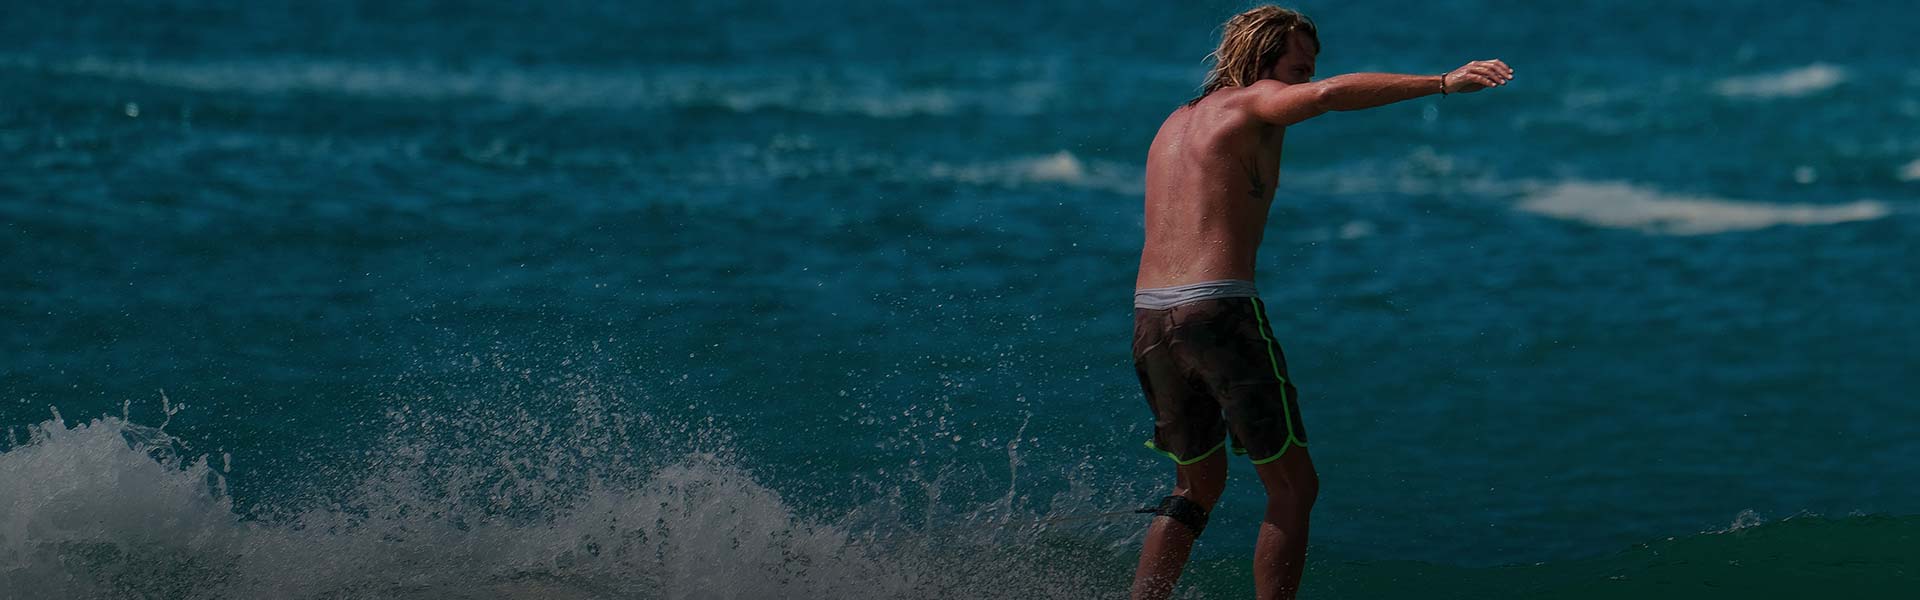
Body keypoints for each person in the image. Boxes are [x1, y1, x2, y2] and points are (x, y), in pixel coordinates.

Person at [1128, 6, 1512, 600]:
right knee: (1293, 488)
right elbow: (1331, 96)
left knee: (1194, 487)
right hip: (1215, 309)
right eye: (1298, 67)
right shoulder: (1253, 101)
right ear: (1262, 62)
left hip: (1151, 319)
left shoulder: (1175, 123)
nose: (1307, 78)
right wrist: (1442, 82)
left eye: (1311, 67)